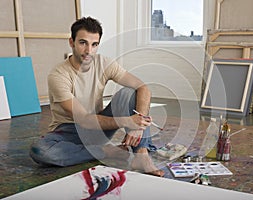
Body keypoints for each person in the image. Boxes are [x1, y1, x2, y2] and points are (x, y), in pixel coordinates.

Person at [30, 16, 164, 177]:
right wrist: (127, 121)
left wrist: (139, 124)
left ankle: (142, 155)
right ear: (71, 42)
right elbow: (84, 119)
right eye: (83, 43)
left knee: (129, 93)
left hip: (99, 128)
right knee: (40, 150)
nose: (89, 51)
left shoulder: (104, 63)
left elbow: (143, 88)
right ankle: (104, 152)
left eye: (94, 45)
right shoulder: (58, 75)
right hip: (69, 131)